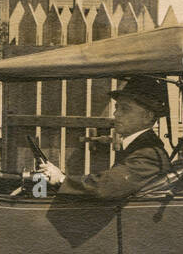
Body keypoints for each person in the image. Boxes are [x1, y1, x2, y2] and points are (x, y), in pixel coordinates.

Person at [38, 76, 171, 201]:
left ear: (147, 116)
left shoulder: (149, 153)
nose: (116, 114)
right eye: (117, 107)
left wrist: (61, 179)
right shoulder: (138, 147)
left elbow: (107, 187)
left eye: (125, 109)